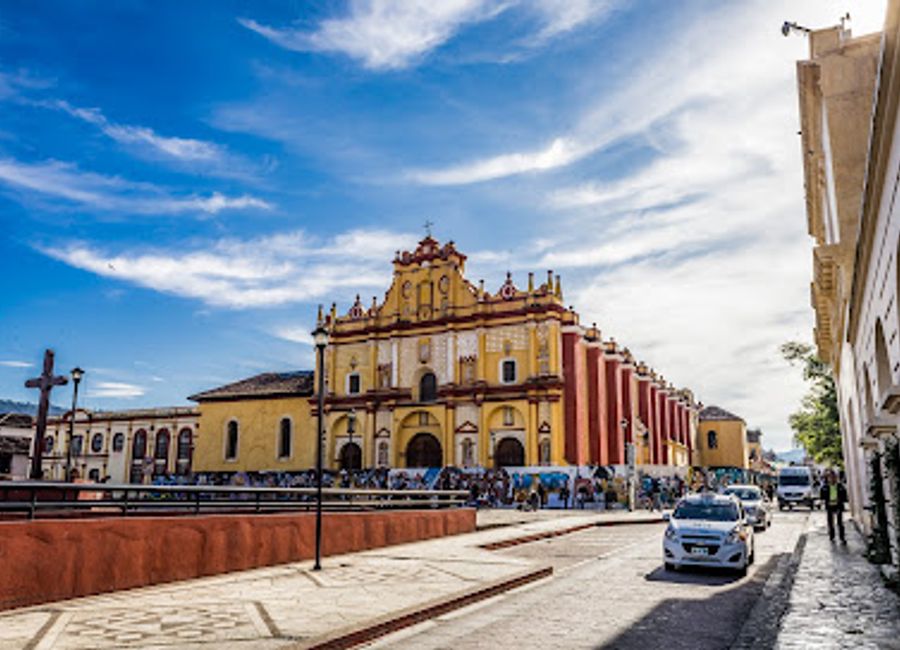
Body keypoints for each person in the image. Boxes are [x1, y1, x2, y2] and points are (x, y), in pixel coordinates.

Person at [819, 470, 847, 543]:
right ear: (827, 478)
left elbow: (844, 496)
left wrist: (840, 500)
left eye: (833, 477)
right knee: (830, 522)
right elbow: (822, 496)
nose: (831, 479)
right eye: (829, 477)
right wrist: (823, 502)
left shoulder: (840, 486)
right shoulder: (825, 487)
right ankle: (832, 537)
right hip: (829, 506)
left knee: (840, 522)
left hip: (838, 506)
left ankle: (842, 537)